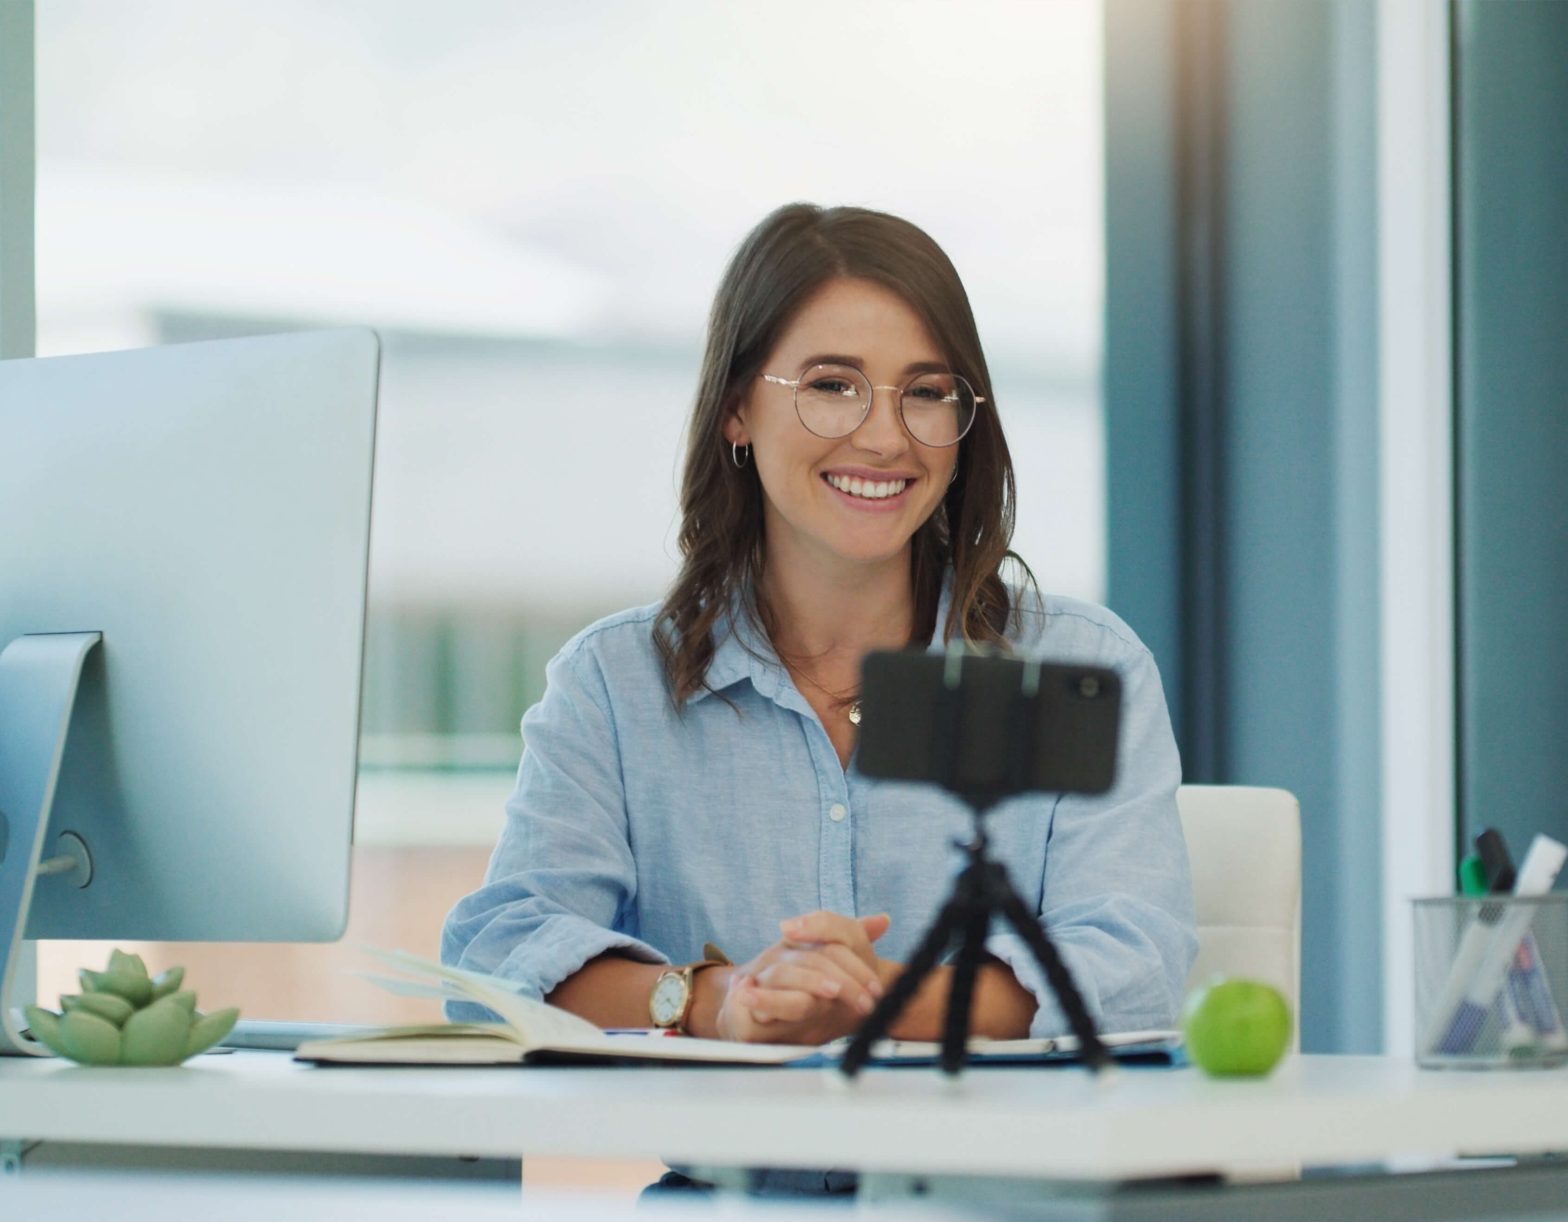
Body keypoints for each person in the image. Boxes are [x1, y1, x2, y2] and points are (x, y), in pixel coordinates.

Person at [439, 200, 1194, 1080]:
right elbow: (499, 954)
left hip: (1011, 1204)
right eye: (833, 385)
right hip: (727, 1211)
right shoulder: (614, 687)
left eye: (926, 391)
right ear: (736, 410)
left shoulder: (1080, 669)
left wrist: (872, 997)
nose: (883, 436)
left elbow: (1133, 971)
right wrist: (720, 1000)